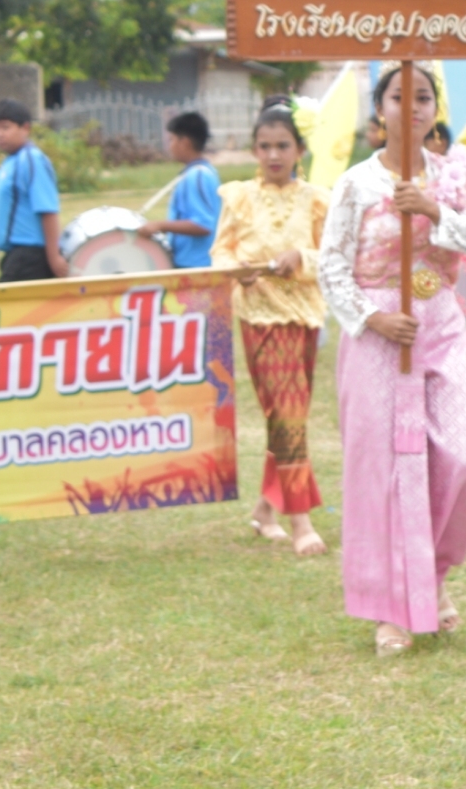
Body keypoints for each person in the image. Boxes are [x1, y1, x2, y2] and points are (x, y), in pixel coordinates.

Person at [317, 65, 466, 657]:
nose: (412, 108)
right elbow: (331, 266)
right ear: (381, 110)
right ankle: (390, 609)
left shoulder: (454, 175)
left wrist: (434, 210)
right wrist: (370, 318)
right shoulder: (355, 185)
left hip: (438, 324)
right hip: (375, 333)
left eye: (423, 98)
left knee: (458, 457)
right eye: (400, 97)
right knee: (385, 469)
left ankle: (436, 574)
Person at [213, 101, 330, 556]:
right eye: (265, 147)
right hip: (259, 316)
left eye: (283, 146)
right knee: (287, 414)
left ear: (299, 149)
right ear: (254, 151)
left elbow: (334, 258)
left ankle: (266, 509)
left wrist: (301, 259)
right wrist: (238, 269)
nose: (274, 155)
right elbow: (220, 253)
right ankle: (300, 520)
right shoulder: (238, 197)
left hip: (306, 315)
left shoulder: (318, 199)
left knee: (288, 415)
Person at [0, 98, 67, 282]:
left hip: (30, 256)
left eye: (5, 127)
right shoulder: (10, 162)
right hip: (14, 255)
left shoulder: (31, 160)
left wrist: (54, 256)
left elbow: (47, 210)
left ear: (25, 128)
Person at [139, 111, 220, 268]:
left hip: (197, 265)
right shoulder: (199, 172)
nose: (170, 146)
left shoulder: (197, 176)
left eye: (172, 140)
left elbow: (203, 224)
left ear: (185, 142)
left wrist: (160, 226)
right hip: (191, 263)